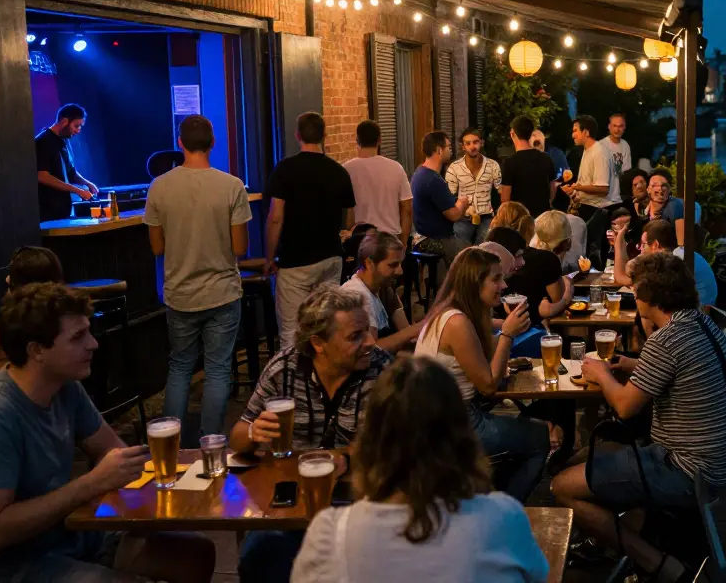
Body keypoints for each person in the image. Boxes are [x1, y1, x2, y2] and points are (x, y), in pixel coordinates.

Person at [0, 283, 215, 583]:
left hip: (66, 535)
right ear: (37, 350)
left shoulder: (64, 387)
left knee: (195, 554)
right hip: (9, 565)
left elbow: (113, 453)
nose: (93, 344)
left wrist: (144, 506)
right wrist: (91, 484)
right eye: (78, 337)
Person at [552, 253, 726, 582]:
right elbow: (680, 369)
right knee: (592, 456)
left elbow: (625, 407)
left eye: (636, 290)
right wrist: (630, 365)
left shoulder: (665, 340)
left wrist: (601, 374)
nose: (633, 295)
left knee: (562, 486)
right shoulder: (698, 323)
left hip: (686, 470)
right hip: (719, 462)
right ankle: (609, 539)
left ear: (650, 296)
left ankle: (658, 564)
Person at [290, 356, 549, 583]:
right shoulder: (505, 517)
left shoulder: (329, 535)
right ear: (463, 437)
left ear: (371, 440)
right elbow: (537, 575)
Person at [233, 284, 391, 583]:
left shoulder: (382, 371)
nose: (371, 342)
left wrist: (345, 457)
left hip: (361, 500)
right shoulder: (284, 369)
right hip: (290, 502)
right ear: (319, 343)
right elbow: (238, 436)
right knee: (260, 553)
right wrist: (254, 432)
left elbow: (390, 444)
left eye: (367, 331)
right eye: (355, 336)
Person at [413, 248, 551, 502]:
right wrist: (507, 334)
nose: (504, 285)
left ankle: (490, 492)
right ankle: (507, 508)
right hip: (452, 423)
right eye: (496, 279)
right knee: (540, 436)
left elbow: (478, 362)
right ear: (474, 282)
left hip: (442, 415)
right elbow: (488, 386)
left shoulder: (452, 312)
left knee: (525, 426)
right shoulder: (457, 322)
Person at [145, 114, 250, 438]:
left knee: (180, 367)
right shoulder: (232, 186)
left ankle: (171, 445)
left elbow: (157, 247)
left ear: (180, 143)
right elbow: (240, 247)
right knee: (218, 370)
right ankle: (211, 444)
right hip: (222, 292)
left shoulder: (159, 187)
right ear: (212, 143)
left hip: (180, 293)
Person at [264, 111, 356, 350]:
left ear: (298, 136)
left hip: (295, 261)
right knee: (327, 328)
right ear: (325, 135)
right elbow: (350, 218)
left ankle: (295, 372)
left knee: (292, 333)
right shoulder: (339, 171)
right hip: (331, 258)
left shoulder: (285, 170)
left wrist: (269, 257)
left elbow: (276, 218)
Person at [0, 246, 65, 357]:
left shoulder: (59, 327)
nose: (7, 279)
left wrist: (1, 347)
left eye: (14, 274)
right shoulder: (19, 317)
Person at [612, 220, 718, 310]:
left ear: (655, 245)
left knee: (645, 307)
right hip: (698, 311)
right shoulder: (677, 253)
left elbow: (623, 277)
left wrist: (619, 240)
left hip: (696, 315)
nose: (641, 249)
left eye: (643, 244)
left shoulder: (672, 261)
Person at [341, 230, 419, 352]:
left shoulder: (382, 289)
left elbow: (406, 333)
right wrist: (415, 329)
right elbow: (371, 352)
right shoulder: (357, 295)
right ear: (369, 263)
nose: (400, 271)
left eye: (400, 264)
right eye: (393, 265)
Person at [344, 120, 413, 245]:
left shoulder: (346, 169)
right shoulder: (396, 168)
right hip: (390, 237)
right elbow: (407, 208)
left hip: (360, 238)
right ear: (379, 140)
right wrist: (403, 243)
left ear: (357, 140)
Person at [562, 115, 618, 262]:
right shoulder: (587, 150)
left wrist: (578, 187)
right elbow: (588, 184)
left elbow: (603, 188)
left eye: (575, 130)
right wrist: (574, 191)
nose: (573, 135)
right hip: (586, 207)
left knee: (593, 257)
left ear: (586, 132)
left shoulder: (599, 152)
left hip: (597, 211)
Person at [411, 131, 471, 267]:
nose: (451, 150)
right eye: (448, 147)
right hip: (436, 239)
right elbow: (453, 215)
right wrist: (462, 203)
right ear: (439, 150)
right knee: (473, 259)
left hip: (422, 236)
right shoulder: (433, 180)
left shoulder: (419, 172)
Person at [36, 104, 99, 222]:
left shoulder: (65, 141)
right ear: (64, 121)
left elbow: (71, 171)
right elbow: (42, 176)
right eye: (76, 126)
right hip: (48, 212)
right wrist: (78, 190)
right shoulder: (42, 141)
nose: (78, 131)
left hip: (65, 209)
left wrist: (87, 183)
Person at [445, 128, 501, 245]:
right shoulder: (454, 168)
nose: (472, 147)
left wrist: (498, 216)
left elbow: (500, 191)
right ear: (463, 146)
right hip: (463, 217)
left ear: (482, 143)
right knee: (459, 245)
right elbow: (449, 195)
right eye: (468, 143)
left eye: (475, 142)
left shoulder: (493, 165)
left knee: (486, 246)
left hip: (487, 216)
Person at [499, 115, 556, 219]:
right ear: (530, 134)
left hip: (520, 219)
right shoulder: (546, 158)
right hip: (543, 217)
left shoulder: (510, 163)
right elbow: (552, 188)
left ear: (512, 133)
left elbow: (505, 199)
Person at [530, 129, 570, 212]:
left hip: (555, 202)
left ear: (544, 139)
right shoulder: (526, 157)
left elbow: (566, 175)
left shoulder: (556, 154)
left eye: (537, 135)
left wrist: (557, 183)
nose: (535, 136)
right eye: (532, 135)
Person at [599, 113, 631, 196]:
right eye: (614, 126)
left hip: (619, 193)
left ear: (624, 127)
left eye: (620, 126)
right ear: (609, 127)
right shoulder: (601, 145)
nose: (617, 129)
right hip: (603, 193)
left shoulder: (625, 145)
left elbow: (626, 171)